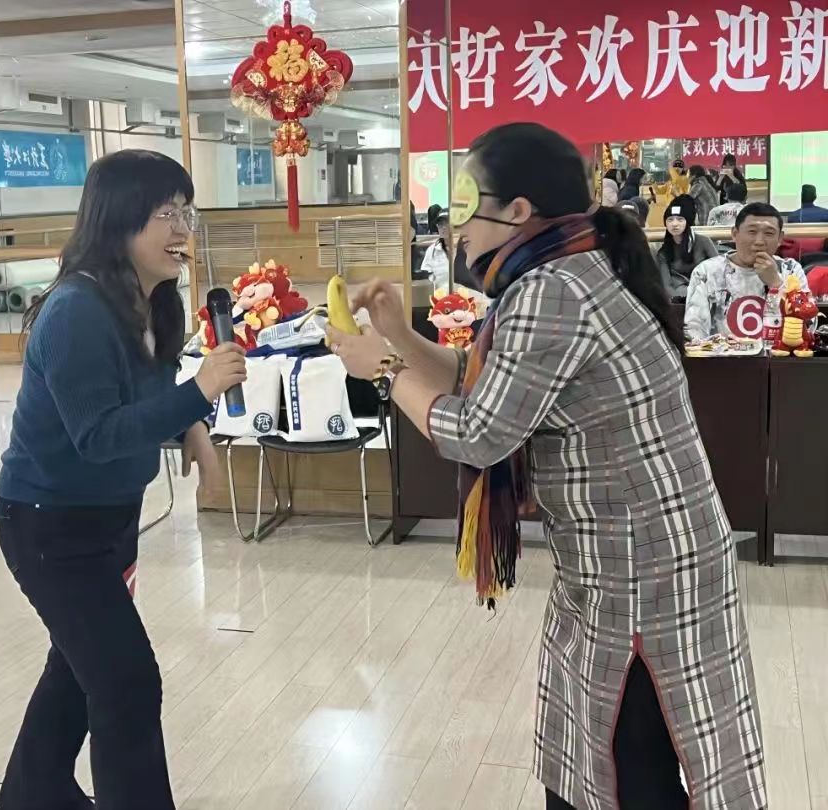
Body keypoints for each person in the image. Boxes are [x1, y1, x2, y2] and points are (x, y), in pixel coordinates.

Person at [327, 123, 766, 810]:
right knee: (601, 750)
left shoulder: (552, 290)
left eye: (466, 203)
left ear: (518, 210)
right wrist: (400, 336)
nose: (456, 226)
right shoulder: (570, 269)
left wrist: (382, 369)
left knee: (632, 762)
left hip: (642, 566)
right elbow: (488, 387)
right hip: (630, 554)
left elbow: (478, 433)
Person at [0, 150, 244, 810]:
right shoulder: (76, 310)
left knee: (77, 675)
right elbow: (98, 433)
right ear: (118, 219)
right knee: (126, 683)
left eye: (187, 213)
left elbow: (143, 397)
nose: (182, 230)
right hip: (50, 526)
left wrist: (191, 426)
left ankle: (30, 797)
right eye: (166, 214)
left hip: (111, 521)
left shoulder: (154, 302)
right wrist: (198, 393)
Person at [685, 202, 810, 342]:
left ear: (780, 238)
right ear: (735, 234)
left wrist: (776, 283)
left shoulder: (791, 270)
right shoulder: (706, 272)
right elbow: (694, 330)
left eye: (769, 233)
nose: (759, 241)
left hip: (778, 354)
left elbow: (809, 324)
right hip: (722, 354)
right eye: (752, 232)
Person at [656, 194, 719, 299]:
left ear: (687, 222)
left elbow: (719, 269)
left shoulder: (703, 241)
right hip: (680, 297)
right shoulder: (664, 252)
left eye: (680, 219)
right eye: (670, 220)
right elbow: (667, 286)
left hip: (707, 292)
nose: (675, 224)